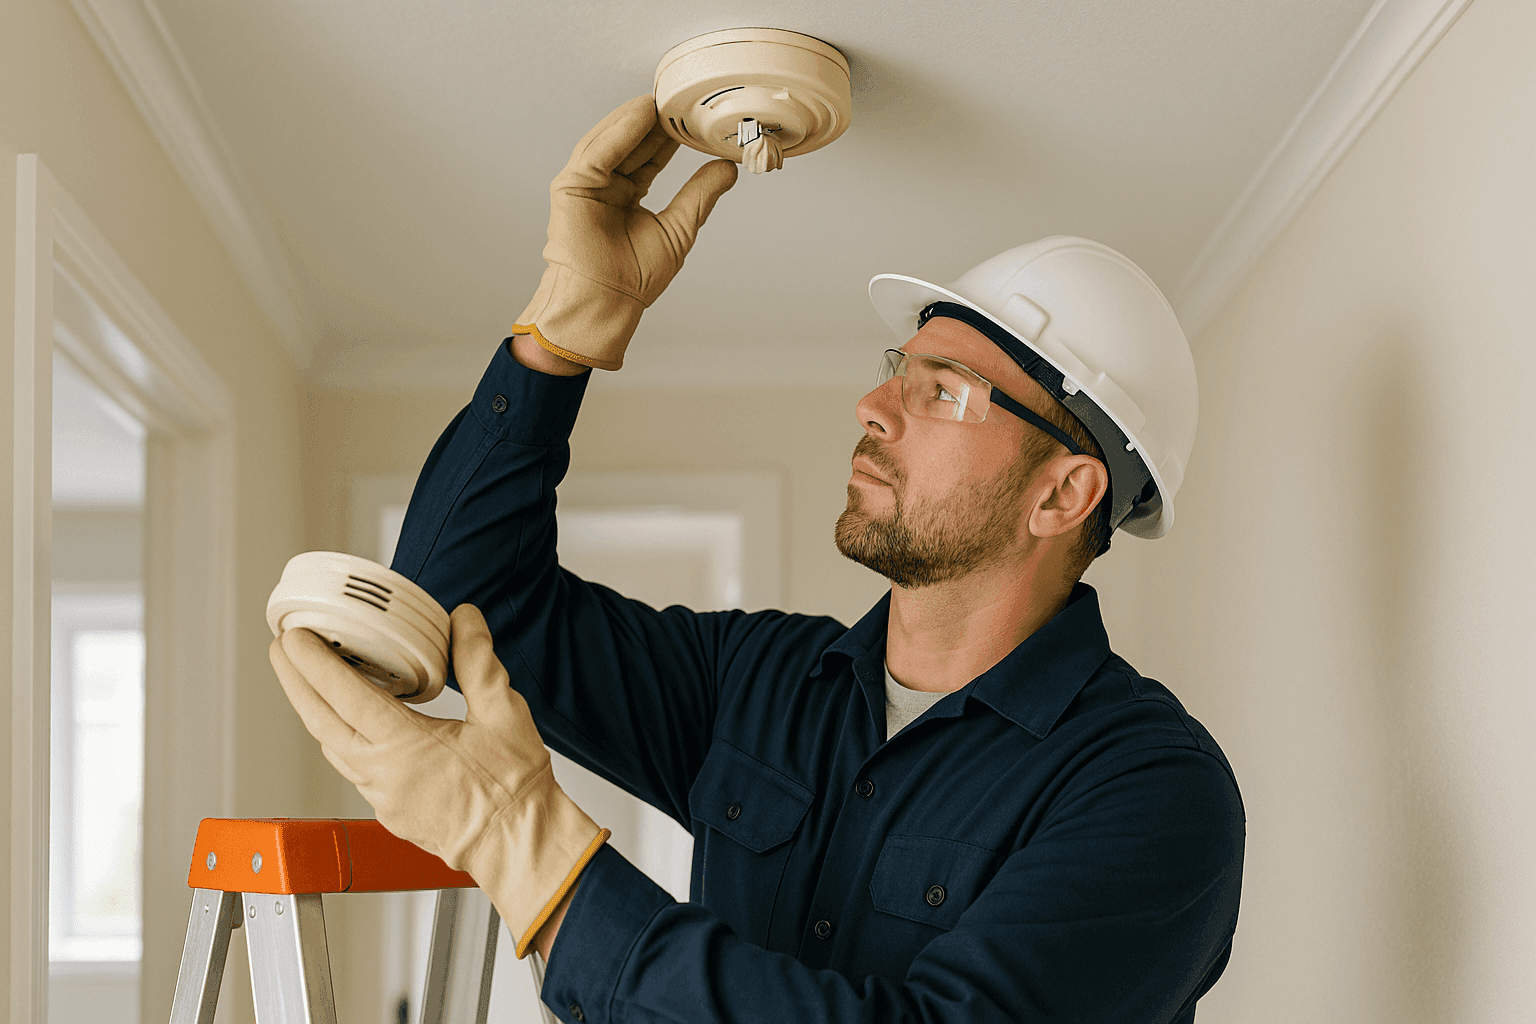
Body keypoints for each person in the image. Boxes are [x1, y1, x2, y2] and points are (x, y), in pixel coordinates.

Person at [271, 95, 1244, 1023]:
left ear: (1063, 494)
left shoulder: (1151, 793)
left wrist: (528, 848)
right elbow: (468, 600)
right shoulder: (762, 682)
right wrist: (561, 332)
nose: (874, 407)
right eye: (896, 371)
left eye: (945, 391)